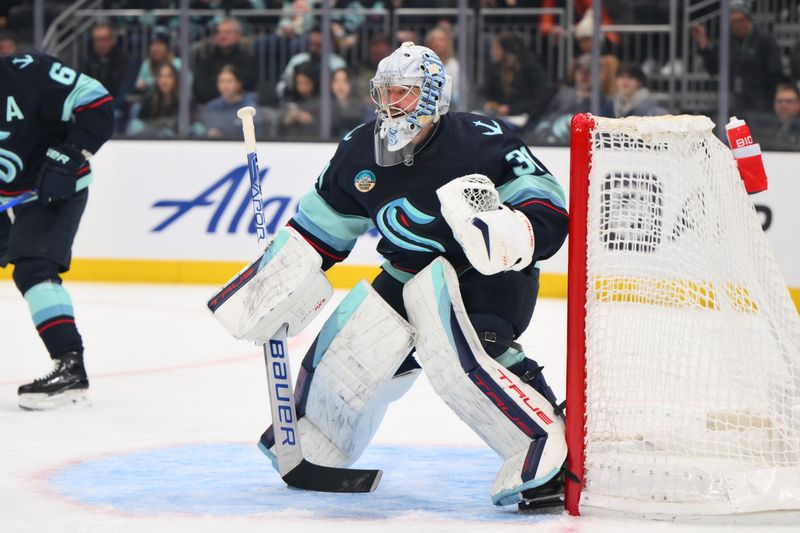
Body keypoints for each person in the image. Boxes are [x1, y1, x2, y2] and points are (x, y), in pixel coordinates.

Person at [215, 42, 570, 510]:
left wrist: (510, 231)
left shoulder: (481, 138)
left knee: (469, 351)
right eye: (385, 92)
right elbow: (319, 229)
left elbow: (546, 204)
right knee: (348, 352)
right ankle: (317, 436)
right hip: (407, 272)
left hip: (486, 275)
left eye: (403, 92)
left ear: (433, 96)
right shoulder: (359, 150)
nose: (391, 104)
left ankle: (547, 443)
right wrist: (276, 283)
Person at [0, 52, 114, 409]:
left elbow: (97, 101)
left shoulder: (28, 72)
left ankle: (70, 367)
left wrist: (71, 153)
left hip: (51, 187)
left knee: (34, 267)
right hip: (7, 196)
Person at [690, 0, 784, 114]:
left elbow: (775, 71)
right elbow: (713, 69)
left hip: (760, 101)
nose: (737, 25)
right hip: (733, 101)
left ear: (749, 20)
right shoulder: (727, 41)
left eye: (740, 20)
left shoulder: (765, 40)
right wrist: (703, 45)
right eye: (733, 22)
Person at [480, 32, 554, 131]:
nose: (493, 52)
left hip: (527, 118)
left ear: (507, 51)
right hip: (499, 117)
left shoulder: (530, 69)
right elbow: (485, 92)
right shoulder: (494, 69)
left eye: (497, 48)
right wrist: (489, 104)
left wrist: (511, 109)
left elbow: (539, 99)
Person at [193, 17, 258, 105]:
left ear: (238, 35)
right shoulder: (206, 59)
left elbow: (249, 85)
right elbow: (199, 88)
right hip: (209, 106)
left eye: (227, 32)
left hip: (241, 104)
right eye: (219, 32)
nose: (222, 36)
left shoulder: (247, 59)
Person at [203, 64, 259, 139]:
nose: (225, 85)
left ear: (239, 83)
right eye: (222, 81)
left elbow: (256, 134)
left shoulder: (249, 107)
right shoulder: (212, 107)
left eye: (230, 81)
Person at [750, 83, 800, 151]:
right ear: (774, 104)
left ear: (798, 104)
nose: (783, 106)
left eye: (789, 101)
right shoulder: (765, 129)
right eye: (780, 101)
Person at [133, 30, 182, 96]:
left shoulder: (177, 63)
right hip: (151, 101)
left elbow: (186, 86)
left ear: (166, 47)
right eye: (153, 45)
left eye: (159, 45)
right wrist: (141, 86)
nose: (156, 48)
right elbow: (138, 84)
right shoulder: (147, 64)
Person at [279, 64, 320, 139]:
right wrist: (286, 120)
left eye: (306, 83)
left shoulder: (322, 101)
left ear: (314, 82)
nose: (302, 87)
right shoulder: (289, 99)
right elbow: (278, 127)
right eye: (299, 83)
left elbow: (329, 126)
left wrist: (310, 120)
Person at [330, 67, 364, 138]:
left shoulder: (361, 107)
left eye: (344, 81)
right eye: (336, 81)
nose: (340, 85)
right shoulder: (325, 107)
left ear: (351, 84)